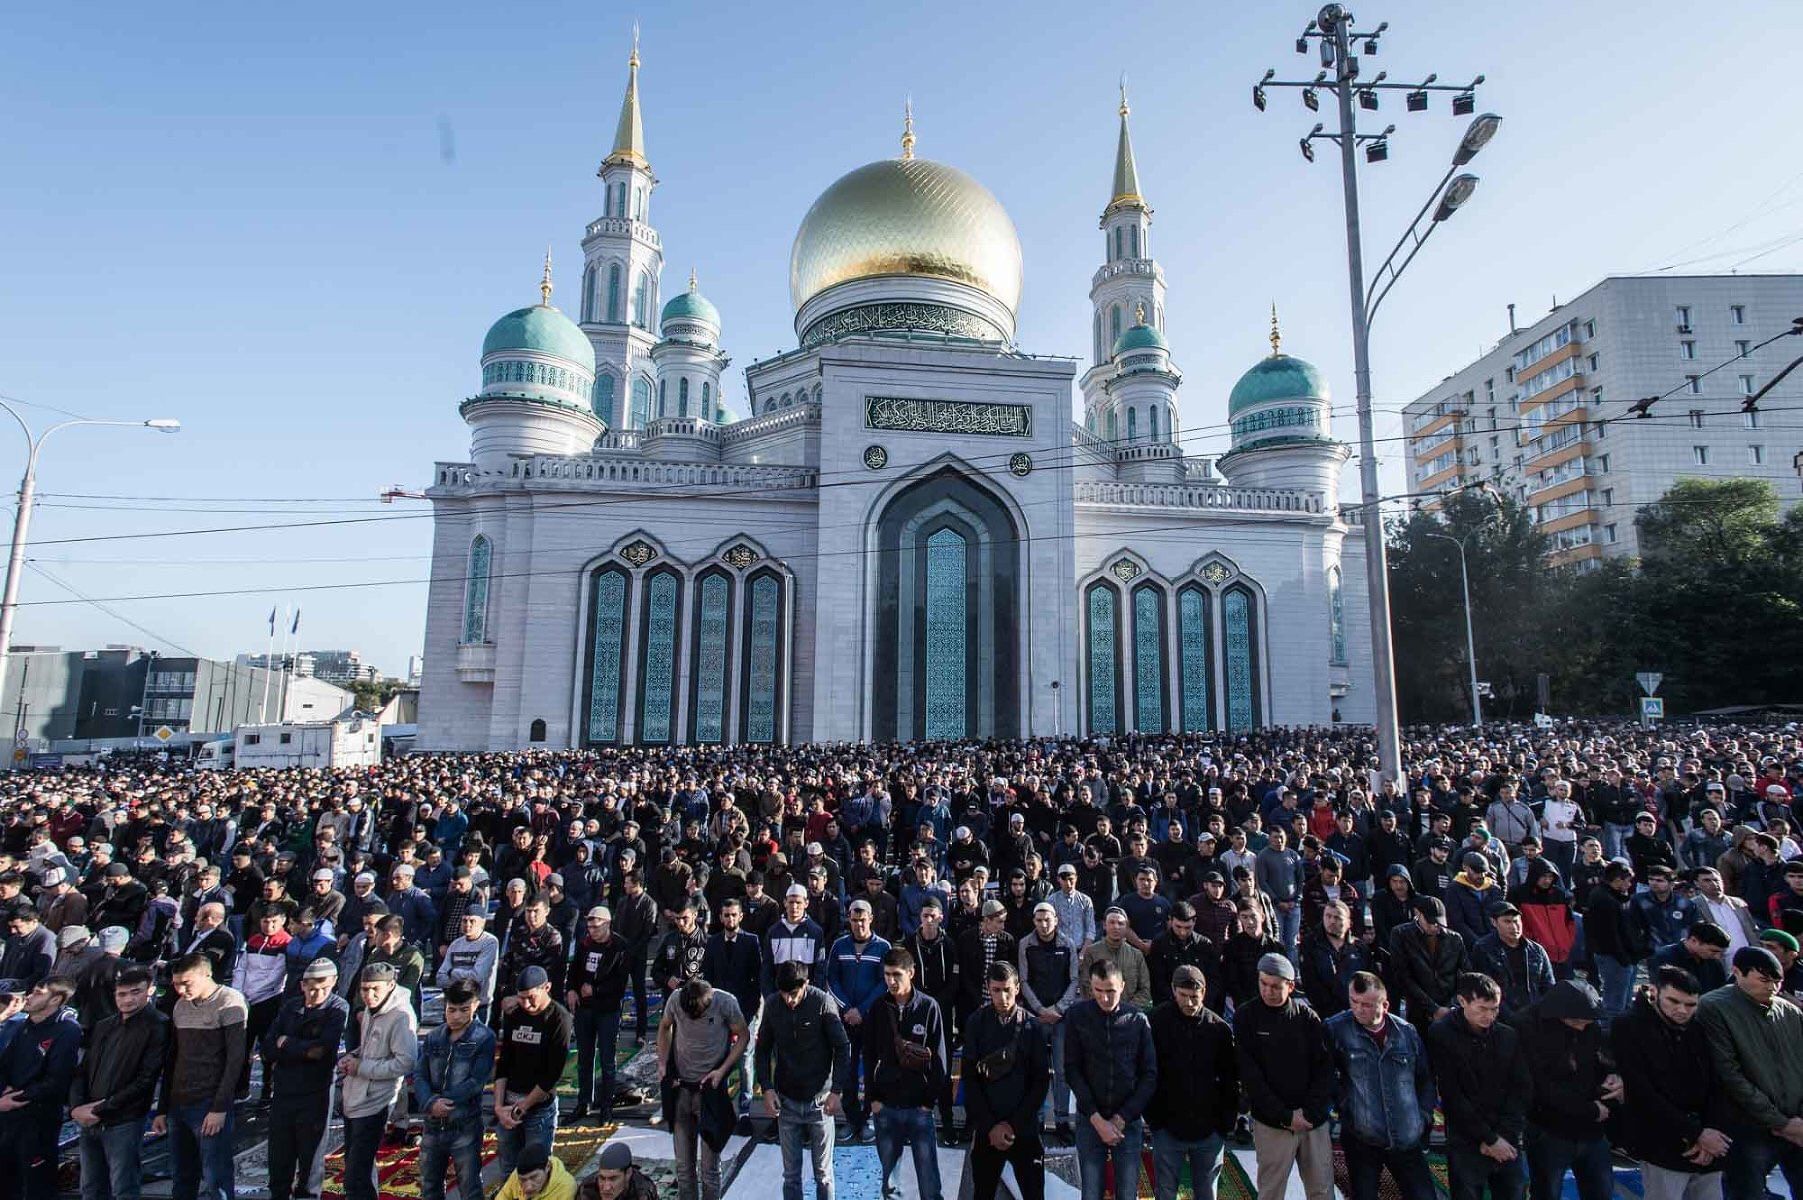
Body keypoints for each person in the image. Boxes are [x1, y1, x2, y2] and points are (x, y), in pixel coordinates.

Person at [1612, 966, 1734, 1200]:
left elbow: (1717, 1083)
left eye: (1690, 1005)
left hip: (1708, 1142)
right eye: (1674, 1002)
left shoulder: (1699, 1027)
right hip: (1662, 1142)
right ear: (1654, 993)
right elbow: (1642, 1090)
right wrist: (1696, 1133)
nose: (1682, 1011)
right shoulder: (1629, 1026)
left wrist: (1710, 1133)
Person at [1695, 946, 1803, 1200]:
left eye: (1778, 981)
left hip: (1797, 1124)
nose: (1773, 987)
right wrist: (1781, 1123)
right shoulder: (1713, 1007)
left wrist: (1796, 1121)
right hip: (1747, 1127)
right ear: (1737, 972)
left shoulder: (1790, 1012)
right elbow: (1729, 1073)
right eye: (1765, 980)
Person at [1325, 972, 1437, 1200]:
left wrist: (1423, 1116)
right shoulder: (1336, 1029)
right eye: (1353, 1002)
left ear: (1385, 1005)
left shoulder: (1406, 1033)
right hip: (1363, 1138)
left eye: (1366, 1005)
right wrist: (1347, 1107)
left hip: (1406, 1137)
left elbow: (1425, 1078)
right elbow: (1326, 1077)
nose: (1358, 1009)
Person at [1235, 953, 1334, 1200]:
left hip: (1312, 1123)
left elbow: (1324, 1070)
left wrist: (1308, 1113)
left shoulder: (1307, 1018)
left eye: (1275, 987)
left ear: (1291, 986)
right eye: (1263, 984)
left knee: (1321, 1190)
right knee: (1271, 1191)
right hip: (1272, 1123)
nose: (1268, 991)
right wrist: (1285, 1116)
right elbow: (1251, 1076)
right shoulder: (1246, 1017)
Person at [1427, 973, 1532, 1200]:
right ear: (1462, 1001)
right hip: (1467, 1138)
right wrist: (1488, 1139)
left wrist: (1503, 1136)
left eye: (1494, 1009)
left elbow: (1521, 1088)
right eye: (1482, 1008)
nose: (1489, 1016)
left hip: (1506, 1135)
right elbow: (1452, 1094)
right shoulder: (1442, 1034)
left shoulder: (1507, 1035)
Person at [153, 953, 249, 1200]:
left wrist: (220, 1107)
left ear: (207, 975)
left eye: (187, 983)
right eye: (176, 984)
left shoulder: (230, 1002)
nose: (181, 989)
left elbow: (235, 1060)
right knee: (182, 1176)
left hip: (209, 1102)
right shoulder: (180, 1005)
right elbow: (172, 1058)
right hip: (179, 1103)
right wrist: (163, 1108)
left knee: (215, 1176)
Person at [71, 965, 168, 1200]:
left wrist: (100, 1108)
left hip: (124, 1119)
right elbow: (82, 1070)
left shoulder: (159, 1025)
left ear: (150, 991)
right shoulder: (105, 1025)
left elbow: (146, 1079)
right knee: (91, 1187)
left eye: (135, 992)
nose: (127, 999)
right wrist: (76, 1107)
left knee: (123, 1187)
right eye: (121, 994)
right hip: (89, 1119)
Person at [755, 960, 849, 1200]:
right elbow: (763, 1049)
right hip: (786, 1101)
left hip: (820, 1101)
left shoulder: (822, 1002)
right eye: (785, 994)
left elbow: (842, 1047)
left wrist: (836, 1090)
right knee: (791, 1175)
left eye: (794, 994)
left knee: (823, 1174)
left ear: (806, 984)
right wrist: (766, 1088)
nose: (790, 1000)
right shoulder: (774, 1004)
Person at [1518, 980, 1620, 1200]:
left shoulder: (1588, 1025)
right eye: (1576, 1022)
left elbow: (1601, 1058)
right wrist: (1590, 1110)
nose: (1581, 1027)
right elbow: (1538, 1087)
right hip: (1550, 1130)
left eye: (1586, 1022)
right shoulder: (1527, 1027)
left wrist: (1613, 1075)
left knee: (1601, 1191)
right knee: (1547, 1192)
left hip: (1592, 1130)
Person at [1064, 959, 1156, 1200]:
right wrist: (1096, 1119)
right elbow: (1072, 1070)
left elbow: (1149, 1075)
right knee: (1091, 1191)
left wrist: (1122, 1118)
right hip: (1090, 1119)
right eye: (1098, 991)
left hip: (1127, 1122)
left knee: (1127, 1191)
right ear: (1090, 988)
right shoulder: (1077, 1017)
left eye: (1111, 991)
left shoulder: (1137, 1021)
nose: (1105, 998)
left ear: (1123, 986)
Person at [864, 946, 950, 1200]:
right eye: (887, 974)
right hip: (886, 1106)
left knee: (929, 1183)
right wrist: (874, 1100)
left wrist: (928, 1102)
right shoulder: (878, 1008)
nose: (891, 981)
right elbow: (868, 1056)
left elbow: (941, 1061)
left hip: (919, 1108)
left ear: (911, 973)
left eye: (897, 975)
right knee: (889, 1184)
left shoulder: (929, 1007)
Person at [1146, 964, 1237, 1200]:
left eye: (1194, 997)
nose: (1189, 1003)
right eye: (1183, 996)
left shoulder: (1218, 1029)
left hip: (1209, 1131)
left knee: (1207, 1193)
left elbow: (1230, 1080)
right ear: (1173, 991)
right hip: (1167, 1128)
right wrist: (1155, 1120)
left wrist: (1223, 1125)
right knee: (1166, 1192)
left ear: (1204, 993)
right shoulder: (1155, 1022)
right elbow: (1147, 1072)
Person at [261, 958, 349, 1200]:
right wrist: (299, 1049)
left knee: (310, 1161)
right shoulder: (291, 1007)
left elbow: (320, 1051)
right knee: (279, 1158)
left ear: (333, 983)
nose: (315, 993)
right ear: (302, 985)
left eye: (322, 986)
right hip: (284, 1090)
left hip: (315, 1092)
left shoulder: (337, 1008)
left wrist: (287, 1043)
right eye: (310, 987)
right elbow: (268, 1047)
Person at [962, 961, 1051, 1200]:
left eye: (1007, 990)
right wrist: (990, 1125)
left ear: (1017, 988)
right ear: (988, 989)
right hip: (987, 1129)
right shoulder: (976, 1023)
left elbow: (1040, 1082)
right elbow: (970, 1079)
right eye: (996, 990)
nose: (1002, 997)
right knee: (983, 1193)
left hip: (1024, 1129)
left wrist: (1012, 1125)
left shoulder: (1032, 1026)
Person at [659, 977, 748, 1200]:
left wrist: (723, 1069)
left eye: (697, 1013)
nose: (693, 1017)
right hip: (681, 1089)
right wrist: (662, 1062)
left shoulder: (725, 1002)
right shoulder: (675, 1000)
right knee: (683, 1167)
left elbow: (743, 1035)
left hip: (710, 1091)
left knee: (709, 1170)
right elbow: (664, 1026)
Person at [337, 962, 418, 1200]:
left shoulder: (401, 1016)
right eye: (364, 989)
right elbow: (371, 1047)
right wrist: (353, 1056)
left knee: (355, 1175)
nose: (369, 995)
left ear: (391, 985)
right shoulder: (373, 1009)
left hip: (377, 1099)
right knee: (356, 1165)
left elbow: (405, 1063)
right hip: (357, 1094)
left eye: (375, 989)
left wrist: (362, 1067)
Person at [0, 978, 81, 1200]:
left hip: (37, 1119)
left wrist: (17, 1098)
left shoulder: (67, 1030)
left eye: (37, 993)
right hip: (9, 1117)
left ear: (55, 999)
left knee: (37, 1184)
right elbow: (5, 1063)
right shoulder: (24, 1026)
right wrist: (4, 1090)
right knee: (6, 1182)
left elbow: (56, 1080)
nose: (29, 996)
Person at [415, 979, 496, 1200]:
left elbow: (476, 1082)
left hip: (464, 1125)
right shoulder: (434, 1036)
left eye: (464, 1010)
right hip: (432, 1124)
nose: (457, 1016)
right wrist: (430, 1103)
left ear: (476, 1005)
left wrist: (443, 1102)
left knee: (469, 1187)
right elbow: (420, 1074)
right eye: (451, 1010)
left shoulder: (484, 1038)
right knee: (429, 1186)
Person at [494, 966, 573, 1184]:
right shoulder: (515, 1014)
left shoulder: (559, 1019)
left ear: (547, 988)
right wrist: (499, 1106)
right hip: (508, 1103)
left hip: (538, 1107)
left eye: (531, 998)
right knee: (508, 1171)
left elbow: (551, 1074)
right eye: (520, 999)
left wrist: (524, 1106)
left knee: (536, 1174)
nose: (526, 1004)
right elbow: (504, 1062)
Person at [825, 897, 890, 1142]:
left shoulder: (882, 947)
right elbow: (831, 979)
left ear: (871, 919)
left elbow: (884, 983)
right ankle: (852, 1120)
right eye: (854, 920)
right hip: (845, 1020)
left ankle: (869, 1118)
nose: (859, 925)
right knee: (847, 1070)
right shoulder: (839, 946)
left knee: (873, 1069)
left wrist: (862, 1010)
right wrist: (847, 1009)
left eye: (863, 920)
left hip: (872, 1020)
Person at [1018, 901, 1078, 1139]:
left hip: (1061, 1017)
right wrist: (1040, 1009)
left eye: (1048, 919)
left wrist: (1058, 1009)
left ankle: (1062, 1120)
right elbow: (1023, 981)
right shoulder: (1026, 944)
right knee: (1037, 1069)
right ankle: (1038, 1118)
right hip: (1036, 1016)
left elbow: (1074, 980)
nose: (1044, 925)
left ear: (1056, 919)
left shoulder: (1068, 944)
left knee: (1062, 1070)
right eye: (1039, 920)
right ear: (1034, 921)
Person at [567, 906, 631, 1122]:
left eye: (596, 927)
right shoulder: (585, 944)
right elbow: (574, 969)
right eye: (589, 927)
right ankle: (583, 1103)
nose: (592, 931)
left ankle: (606, 1106)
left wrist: (596, 990)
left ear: (607, 924)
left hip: (607, 1010)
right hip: (584, 1009)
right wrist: (571, 990)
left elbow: (620, 983)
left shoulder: (620, 947)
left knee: (607, 1060)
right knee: (584, 1058)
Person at [1388, 896, 1466, 1025]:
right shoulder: (1401, 934)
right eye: (1430, 922)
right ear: (1418, 914)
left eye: (1438, 923)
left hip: (1451, 1008)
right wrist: (1433, 1008)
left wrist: (1452, 1006)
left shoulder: (1454, 939)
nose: (1435, 927)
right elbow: (1402, 976)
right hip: (1418, 1008)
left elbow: (1464, 974)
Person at [1470, 901, 1555, 1021]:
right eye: (1507, 921)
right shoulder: (1483, 949)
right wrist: (1510, 1017)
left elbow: (1548, 986)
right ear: (1494, 922)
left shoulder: (1536, 950)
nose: (1514, 927)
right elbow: (1483, 988)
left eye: (1516, 921)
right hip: (1500, 1017)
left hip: (1535, 1015)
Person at [435, 907, 499, 1022]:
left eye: (472, 921)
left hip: (478, 1006)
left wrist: (452, 973)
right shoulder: (455, 944)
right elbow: (440, 978)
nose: (467, 925)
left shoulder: (489, 942)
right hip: (454, 1004)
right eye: (464, 921)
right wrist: (464, 978)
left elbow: (477, 977)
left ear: (482, 922)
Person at [576, 1142, 658, 1200]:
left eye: (613, 1179)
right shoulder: (587, 1188)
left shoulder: (643, 1189)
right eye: (602, 1178)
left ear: (628, 1174)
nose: (606, 1188)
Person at [494, 1144, 576, 1200]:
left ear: (547, 1167)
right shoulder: (517, 1174)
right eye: (523, 1180)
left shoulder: (566, 1186)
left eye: (534, 1177)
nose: (528, 1186)